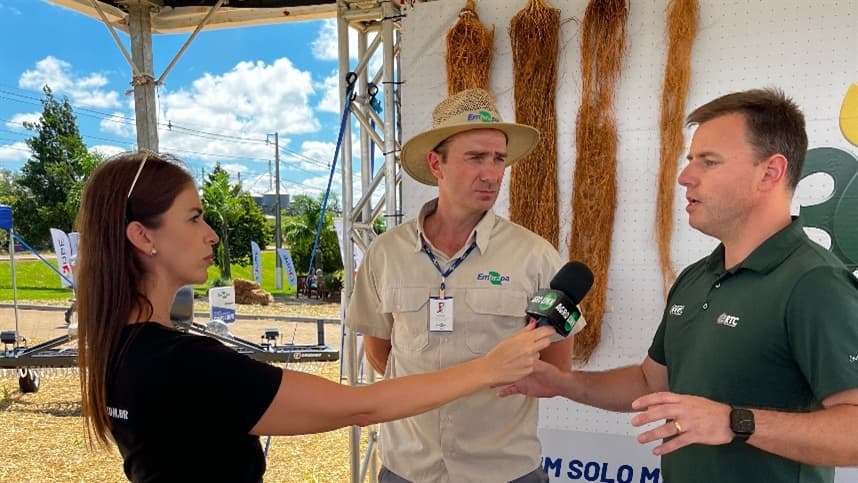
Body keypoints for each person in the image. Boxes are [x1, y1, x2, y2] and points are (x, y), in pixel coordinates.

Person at [74, 150, 556, 483]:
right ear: (142, 236)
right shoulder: (182, 362)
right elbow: (360, 405)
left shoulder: (123, 346)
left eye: (499, 159)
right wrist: (488, 369)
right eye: (194, 217)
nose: (211, 235)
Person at [500, 88, 858, 482]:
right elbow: (650, 382)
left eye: (709, 162)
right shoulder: (695, 278)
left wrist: (735, 422)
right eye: (691, 161)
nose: (685, 177)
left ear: (770, 172)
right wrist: (565, 383)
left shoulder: (813, 282)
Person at [346, 88, 583, 483]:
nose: (491, 174)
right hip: (407, 469)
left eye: (499, 159)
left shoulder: (536, 256)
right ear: (436, 164)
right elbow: (380, 354)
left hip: (504, 471)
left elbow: (556, 366)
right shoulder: (385, 254)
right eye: (475, 157)